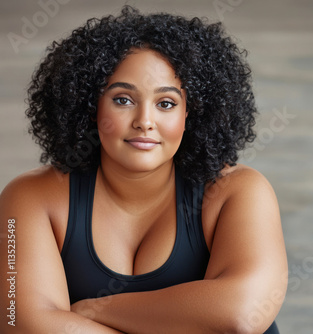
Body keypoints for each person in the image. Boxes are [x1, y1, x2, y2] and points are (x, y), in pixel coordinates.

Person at [0, 6, 287, 333]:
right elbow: (19, 323)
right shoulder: (29, 199)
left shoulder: (239, 191)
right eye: (123, 99)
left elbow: (242, 314)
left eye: (166, 103)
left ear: (190, 114)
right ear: (90, 105)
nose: (144, 122)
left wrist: (93, 310)